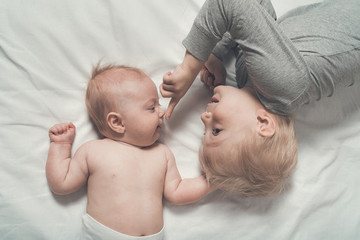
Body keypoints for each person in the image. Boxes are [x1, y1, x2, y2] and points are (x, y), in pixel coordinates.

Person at [160, 0, 360, 197]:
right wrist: (190, 66)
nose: (204, 119)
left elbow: (259, 9)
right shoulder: (284, 85)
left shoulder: (248, 79)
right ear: (263, 123)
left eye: (205, 131)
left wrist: (216, 54)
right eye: (216, 130)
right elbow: (231, 5)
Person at [46, 63, 212, 240]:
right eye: (151, 107)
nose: (161, 113)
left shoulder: (162, 154)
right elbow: (61, 184)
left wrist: (212, 181)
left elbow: (177, 191)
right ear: (117, 122)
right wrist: (61, 145)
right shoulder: (93, 151)